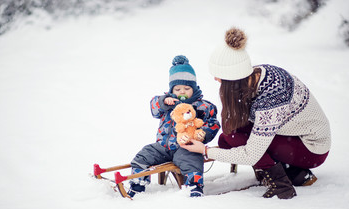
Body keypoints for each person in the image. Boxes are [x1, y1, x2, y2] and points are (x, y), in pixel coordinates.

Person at [181, 27, 331, 199]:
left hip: (312, 149)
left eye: (219, 76)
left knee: (234, 139)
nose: (216, 79)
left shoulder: (270, 100)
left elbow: (252, 153)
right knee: (227, 138)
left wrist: (206, 151)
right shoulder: (256, 75)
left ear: (232, 78)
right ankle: (294, 172)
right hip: (294, 135)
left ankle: (282, 186)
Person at [127, 55, 221, 198]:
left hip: (186, 147)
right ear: (172, 89)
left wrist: (204, 133)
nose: (182, 92)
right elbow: (154, 107)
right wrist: (164, 101)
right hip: (163, 147)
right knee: (143, 155)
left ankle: (194, 186)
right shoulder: (167, 102)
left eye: (186, 88)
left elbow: (213, 123)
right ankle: (138, 184)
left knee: (192, 160)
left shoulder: (202, 106)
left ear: (194, 88)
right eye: (177, 88)